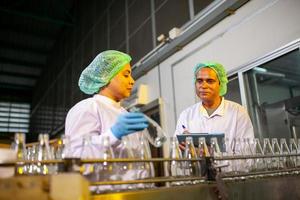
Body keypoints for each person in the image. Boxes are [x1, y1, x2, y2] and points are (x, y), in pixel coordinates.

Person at [65, 50, 149, 157]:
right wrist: (113, 135)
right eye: (126, 75)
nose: (132, 81)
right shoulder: (87, 108)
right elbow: (76, 155)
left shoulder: (124, 114)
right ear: (105, 77)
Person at [175, 62, 254, 152]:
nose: (203, 86)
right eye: (199, 81)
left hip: (229, 167)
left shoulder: (237, 112)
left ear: (220, 84)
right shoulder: (186, 115)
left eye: (210, 81)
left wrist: (208, 154)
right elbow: (176, 152)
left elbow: (247, 157)